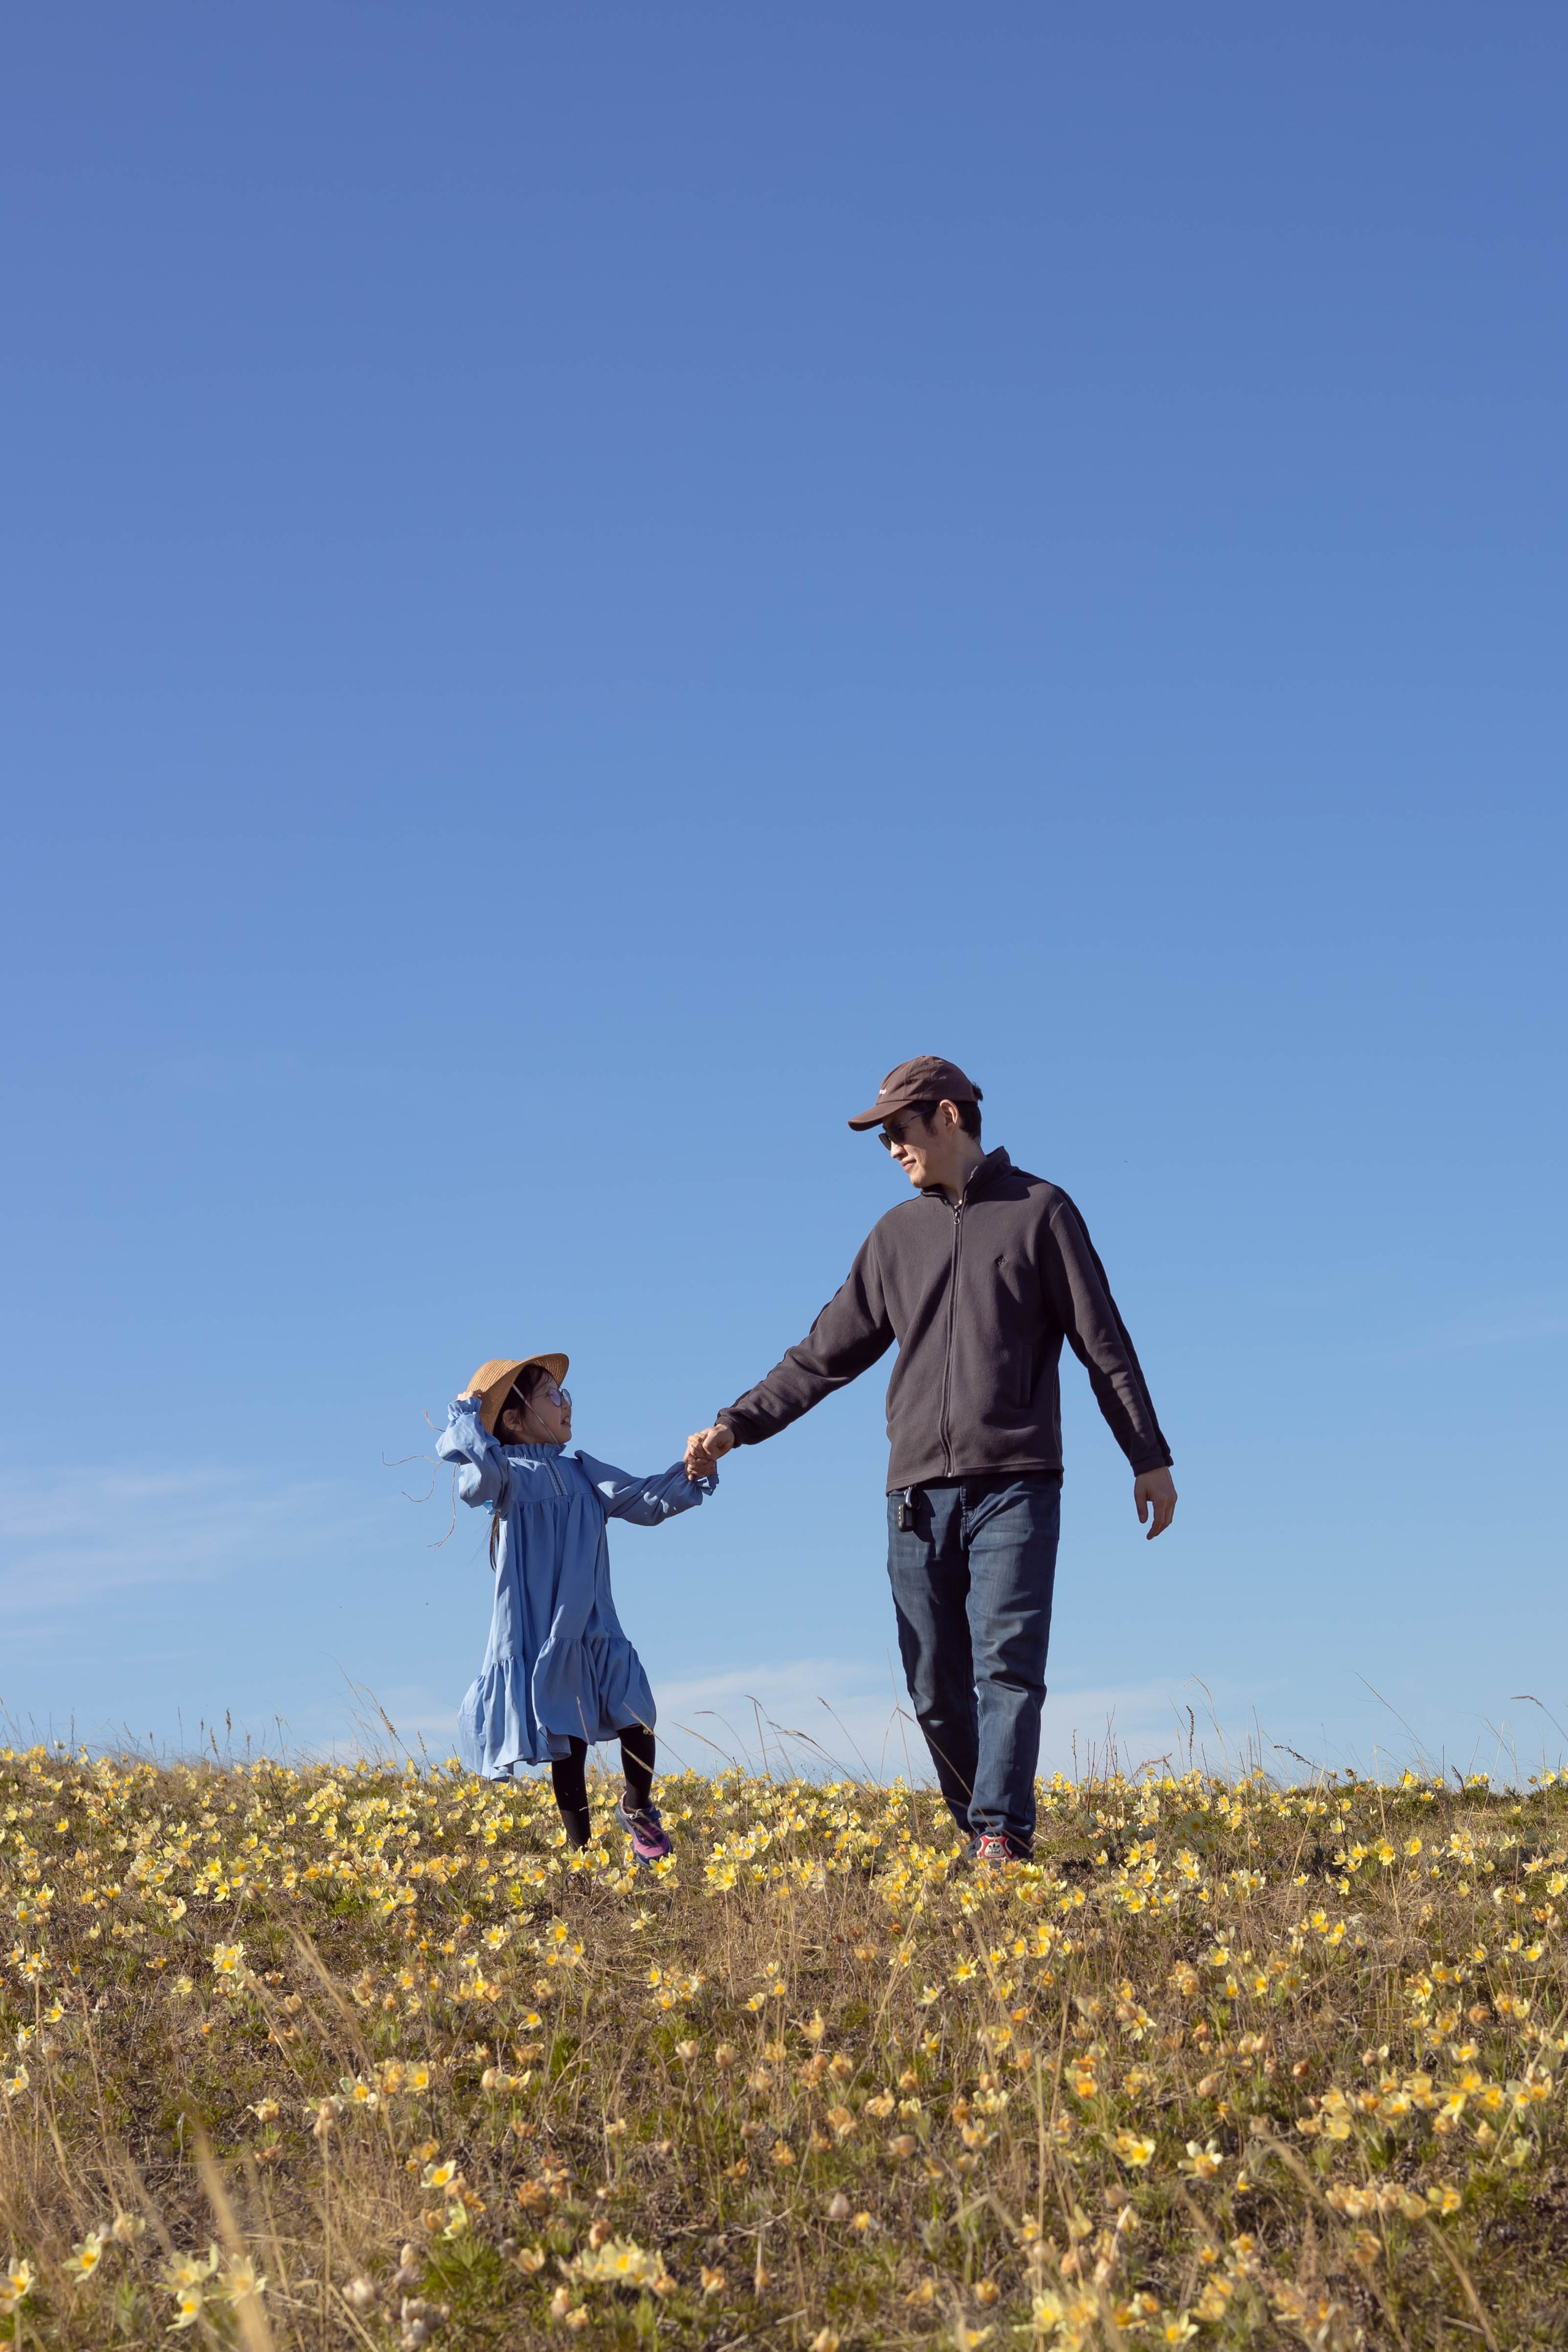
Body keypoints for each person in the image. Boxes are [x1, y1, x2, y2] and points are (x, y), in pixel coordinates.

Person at [685, 1056, 1175, 1866]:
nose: (889, 1149)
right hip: (914, 1494)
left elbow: (1103, 1344)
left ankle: (999, 1837)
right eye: (880, 1139)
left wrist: (1146, 1456)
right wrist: (734, 1426)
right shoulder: (892, 1238)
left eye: (898, 1131)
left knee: (1007, 1665)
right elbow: (820, 1357)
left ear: (948, 1117)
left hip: (1016, 1482)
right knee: (934, 1688)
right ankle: (977, 1823)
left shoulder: (1042, 1212)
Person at [439, 1353, 715, 1864]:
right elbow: (473, 1476)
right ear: (516, 1418)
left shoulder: (585, 1471)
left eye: (566, 1396)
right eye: (553, 1396)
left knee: (637, 1712)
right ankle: (581, 1856)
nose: (566, 1405)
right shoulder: (504, 1475)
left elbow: (646, 1499)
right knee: (568, 1744)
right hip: (542, 1633)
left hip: (596, 1624)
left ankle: (637, 1807)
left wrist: (693, 1471)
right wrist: (465, 1416)